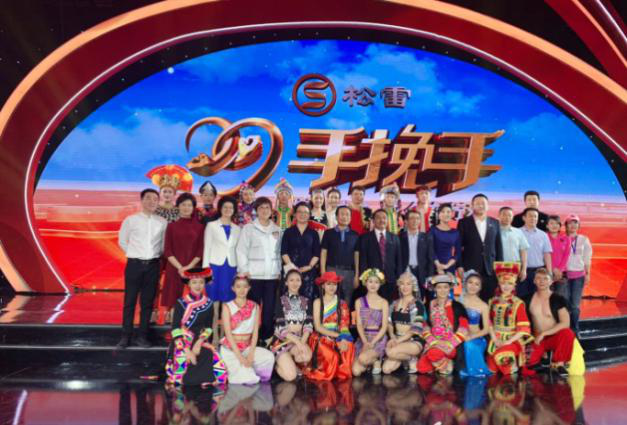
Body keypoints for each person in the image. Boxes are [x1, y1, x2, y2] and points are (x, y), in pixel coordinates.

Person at [117, 188, 168, 348]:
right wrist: (134, 254)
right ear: (142, 200)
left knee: (147, 303)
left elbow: (163, 245)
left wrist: (155, 256)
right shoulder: (131, 220)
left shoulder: (162, 222)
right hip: (134, 265)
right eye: (148, 198)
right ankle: (125, 336)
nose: (152, 201)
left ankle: (142, 336)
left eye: (155, 199)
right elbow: (122, 241)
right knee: (129, 302)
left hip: (153, 266)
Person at [165, 268, 227, 387]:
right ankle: (185, 378)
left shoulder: (208, 303)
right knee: (183, 357)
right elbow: (175, 328)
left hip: (199, 338)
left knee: (208, 354)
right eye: (194, 282)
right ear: (188, 284)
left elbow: (209, 328)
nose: (198, 286)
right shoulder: (181, 302)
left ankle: (203, 379)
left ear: (205, 284)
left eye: (201, 282)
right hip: (182, 339)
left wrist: (199, 343)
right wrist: (187, 350)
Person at [236, 197, 282, 342]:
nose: (264, 210)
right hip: (254, 275)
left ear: (271, 210)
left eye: (267, 207)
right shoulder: (249, 228)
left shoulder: (277, 229)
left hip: (272, 276)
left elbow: (279, 252)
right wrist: (244, 270)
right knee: (253, 308)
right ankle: (250, 338)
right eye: (261, 207)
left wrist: (279, 271)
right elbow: (241, 250)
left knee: (269, 309)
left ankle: (266, 338)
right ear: (256, 210)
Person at [220, 275, 275, 384]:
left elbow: (255, 333)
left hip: (247, 347)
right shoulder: (227, 307)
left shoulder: (255, 306)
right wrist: (241, 358)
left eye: (245, 286)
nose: (242, 290)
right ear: (233, 288)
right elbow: (228, 335)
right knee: (248, 378)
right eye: (238, 286)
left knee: (269, 357)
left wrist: (251, 354)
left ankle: (248, 368)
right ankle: (244, 369)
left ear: (249, 288)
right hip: (231, 349)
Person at [523, 268, 577, 375]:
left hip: (554, 337)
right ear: (534, 281)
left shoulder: (559, 299)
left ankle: (559, 364)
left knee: (567, 333)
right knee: (527, 369)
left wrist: (544, 333)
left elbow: (565, 323)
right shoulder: (527, 299)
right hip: (536, 339)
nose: (542, 281)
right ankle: (543, 357)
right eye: (538, 278)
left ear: (551, 281)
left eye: (545, 278)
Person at [161, 193, 204, 323]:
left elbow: (200, 250)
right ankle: (172, 326)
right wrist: (180, 268)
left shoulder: (200, 227)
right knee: (173, 300)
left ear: (193, 208)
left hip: (193, 269)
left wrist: (188, 267)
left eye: (189, 205)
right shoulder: (171, 226)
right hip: (174, 268)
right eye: (183, 205)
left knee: (192, 301)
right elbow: (168, 250)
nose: (186, 208)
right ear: (178, 206)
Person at [304, 271, 355, 381]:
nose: (332, 287)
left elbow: (344, 324)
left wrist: (343, 338)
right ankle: (328, 370)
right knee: (333, 357)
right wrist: (337, 336)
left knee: (349, 345)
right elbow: (318, 327)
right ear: (323, 286)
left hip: (338, 335)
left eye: (334, 284)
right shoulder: (318, 302)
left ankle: (341, 373)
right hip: (321, 337)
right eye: (328, 284)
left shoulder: (342, 303)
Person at [202, 196, 240, 338]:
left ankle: (225, 336)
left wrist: (240, 270)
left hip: (231, 269)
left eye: (231, 208)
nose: (228, 210)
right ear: (220, 208)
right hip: (215, 268)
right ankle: (214, 336)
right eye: (225, 207)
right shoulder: (212, 226)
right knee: (214, 303)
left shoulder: (237, 229)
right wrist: (206, 270)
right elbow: (207, 248)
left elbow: (238, 250)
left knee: (228, 303)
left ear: (234, 210)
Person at [487, 262, 533, 375]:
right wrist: (495, 339)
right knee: (491, 370)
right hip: (495, 340)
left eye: (510, 283)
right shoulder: (492, 301)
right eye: (503, 283)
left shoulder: (518, 303)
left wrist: (507, 342)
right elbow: (489, 323)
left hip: (513, 340)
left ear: (514, 285)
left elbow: (523, 329)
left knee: (502, 358)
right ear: (499, 284)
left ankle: (512, 369)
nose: (506, 286)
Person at [418, 274, 469, 375]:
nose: (442, 290)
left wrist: (450, 343)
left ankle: (440, 363)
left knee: (433, 354)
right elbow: (424, 325)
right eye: (439, 287)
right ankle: (445, 363)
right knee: (422, 368)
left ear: (450, 288)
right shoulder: (428, 305)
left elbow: (464, 328)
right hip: (433, 342)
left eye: (445, 287)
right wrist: (433, 341)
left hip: (450, 344)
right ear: (435, 289)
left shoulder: (457, 306)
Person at [457, 193, 503, 301]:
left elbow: (498, 246)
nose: (480, 205)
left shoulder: (495, 223)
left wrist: (500, 268)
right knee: (470, 299)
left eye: (483, 203)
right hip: (470, 267)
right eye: (477, 203)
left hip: (490, 269)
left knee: (489, 298)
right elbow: (458, 246)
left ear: (488, 206)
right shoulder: (463, 223)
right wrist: (459, 265)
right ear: (472, 205)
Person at [271, 269, 313, 381]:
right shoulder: (280, 300)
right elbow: (281, 327)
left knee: (305, 356)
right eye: (291, 280)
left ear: (301, 282)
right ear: (286, 282)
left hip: (298, 340)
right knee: (291, 376)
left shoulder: (306, 301)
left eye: (298, 280)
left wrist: (302, 343)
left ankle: (291, 360)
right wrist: (299, 344)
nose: (295, 283)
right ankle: (275, 365)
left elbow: (308, 325)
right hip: (282, 341)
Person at [383, 272, 426, 375]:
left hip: (413, 341)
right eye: (402, 283)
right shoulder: (394, 303)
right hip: (397, 339)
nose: (405, 287)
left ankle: (412, 357)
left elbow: (415, 330)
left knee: (390, 352)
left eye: (408, 284)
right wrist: (392, 336)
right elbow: (389, 322)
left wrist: (397, 341)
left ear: (413, 286)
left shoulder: (418, 304)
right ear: (399, 285)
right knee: (386, 370)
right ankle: (407, 358)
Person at [358, 209, 403, 303]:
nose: (381, 220)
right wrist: (364, 280)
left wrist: (399, 278)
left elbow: (399, 260)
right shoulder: (365, 238)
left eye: (384, 218)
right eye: (378, 218)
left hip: (391, 280)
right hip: (372, 281)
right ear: (373, 221)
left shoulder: (395, 238)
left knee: (389, 306)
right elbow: (363, 261)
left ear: (387, 220)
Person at [352, 268, 390, 376]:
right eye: (370, 281)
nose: (373, 285)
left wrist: (372, 343)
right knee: (355, 371)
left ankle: (377, 359)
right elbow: (359, 324)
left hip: (378, 339)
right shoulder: (359, 301)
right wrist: (365, 342)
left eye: (376, 282)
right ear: (365, 282)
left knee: (362, 359)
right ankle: (371, 361)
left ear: (380, 284)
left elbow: (384, 327)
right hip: (364, 338)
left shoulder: (384, 302)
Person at [281, 202, 321, 300]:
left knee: (308, 300)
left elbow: (317, 253)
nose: (302, 214)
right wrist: (292, 267)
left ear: (309, 215)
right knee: (289, 300)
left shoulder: (314, 233)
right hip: (290, 271)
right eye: (299, 212)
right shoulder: (288, 232)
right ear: (295, 214)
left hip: (308, 272)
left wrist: (309, 266)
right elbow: (284, 252)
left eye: (305, 212)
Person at [320, 205, 360, 304]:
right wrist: (323, 271)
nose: (344, 217)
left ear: (350, 218)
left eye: (347, 214)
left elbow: (356, 256)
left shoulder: (355, 235)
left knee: (347, 300)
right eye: (342, 214)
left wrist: (356, 275)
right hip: (332, 270)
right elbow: (323, 253)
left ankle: (345, 315)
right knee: (330, 299)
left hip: (349, 272)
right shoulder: (328, 233)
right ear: (336, 216)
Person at [563, 214, 593, 335]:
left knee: (575, 305)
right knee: (564, 303)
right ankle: (565, 329)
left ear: (579, 225)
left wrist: (588, 274)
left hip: (578, 277)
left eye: (575, 223)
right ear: (566, 225)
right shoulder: (561, 238)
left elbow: (587, 259)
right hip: (563, 277)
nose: (573, 225)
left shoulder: (584, 240)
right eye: (570, 223)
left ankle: (575, 329)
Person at [458, 271, 491, 377]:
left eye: (476, 284)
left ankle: (477, 371)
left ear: (480, 288)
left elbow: (486, 329)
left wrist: (471, 336)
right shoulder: (458, 300)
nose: (473, 286)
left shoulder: (483, 305)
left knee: (469, 344)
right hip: (459, 336)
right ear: (465, 284)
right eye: (470, 282)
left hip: (476, 338)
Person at [519, 207, 553, 299]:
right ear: (524, 218)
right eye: (530, 216)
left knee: (537, 299)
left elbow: (547, 254)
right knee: (522, 299)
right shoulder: (517, 232)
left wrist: (550, 273)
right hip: (521, 271)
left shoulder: (543, 235)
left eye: (535, 216)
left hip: (539, 272)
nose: (533, 218)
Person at [399, 209, 433, 301]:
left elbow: (430, 258)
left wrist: (429, 276)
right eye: (412, 218)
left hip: (422, 272)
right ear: (406, 221)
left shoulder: (427, 237)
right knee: (405, 299)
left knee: (420, 300)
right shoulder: (400, 237)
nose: (415, 221)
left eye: (417, 218)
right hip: (406, 271)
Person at [428, 203, 462, 275]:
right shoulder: (433, 230)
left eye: (448, 212)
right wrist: (438, 265)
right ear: (439, 215)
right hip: (434, 266)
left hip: (449, 267)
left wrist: (447, 266)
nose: (445, 214)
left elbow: (458, 252)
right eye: (443, 212)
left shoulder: (455, 232)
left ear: (451, 214)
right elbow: (430, 249)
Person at [498, 206, 529, 282]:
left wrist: (524, 269)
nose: (507, 217)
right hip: (498, 266)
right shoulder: (493, 231)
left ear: (512, 217)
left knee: (514, 289)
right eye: (504, 214)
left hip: (515, 267)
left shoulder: (518, 232)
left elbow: (523, 251)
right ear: (499, 216)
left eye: (509, 215)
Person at [547, 215, 571, 296]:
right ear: (547, 225)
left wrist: (560, 269)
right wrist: (553, 269)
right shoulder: (543, 237)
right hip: (547, 272)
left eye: (557, 223)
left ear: (560, 226)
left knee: (559, 298)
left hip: (562, 273)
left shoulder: (566, 238)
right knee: (547, 298)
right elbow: (543, 255)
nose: (554, 225)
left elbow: (566, 255)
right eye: (551, 223)